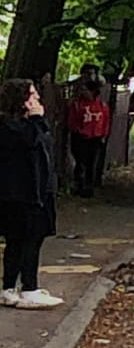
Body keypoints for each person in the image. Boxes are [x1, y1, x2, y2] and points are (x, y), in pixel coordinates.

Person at [0, 80, 63, 308]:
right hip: (21, 194)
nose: (37, 99)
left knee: (22, 240)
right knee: (27, 240)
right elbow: (28, 141)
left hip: (36, 191)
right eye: (32, 95)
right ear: (21, 100)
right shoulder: (9, 126)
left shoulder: (30, 125)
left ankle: (10, 287)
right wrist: (37, 118)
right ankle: (28, 288)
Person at [65, 78, 111, 199]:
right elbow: (72, 122)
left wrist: (103, 135)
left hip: (95, 138)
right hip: (80, 138)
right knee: (80, 162)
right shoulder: (77, 105)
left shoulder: (102, 106)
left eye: (85, 90)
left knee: (92, 163)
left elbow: (105, 122)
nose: (83, 92)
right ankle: (79, 185)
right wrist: (79, 131)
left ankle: (89, 186)